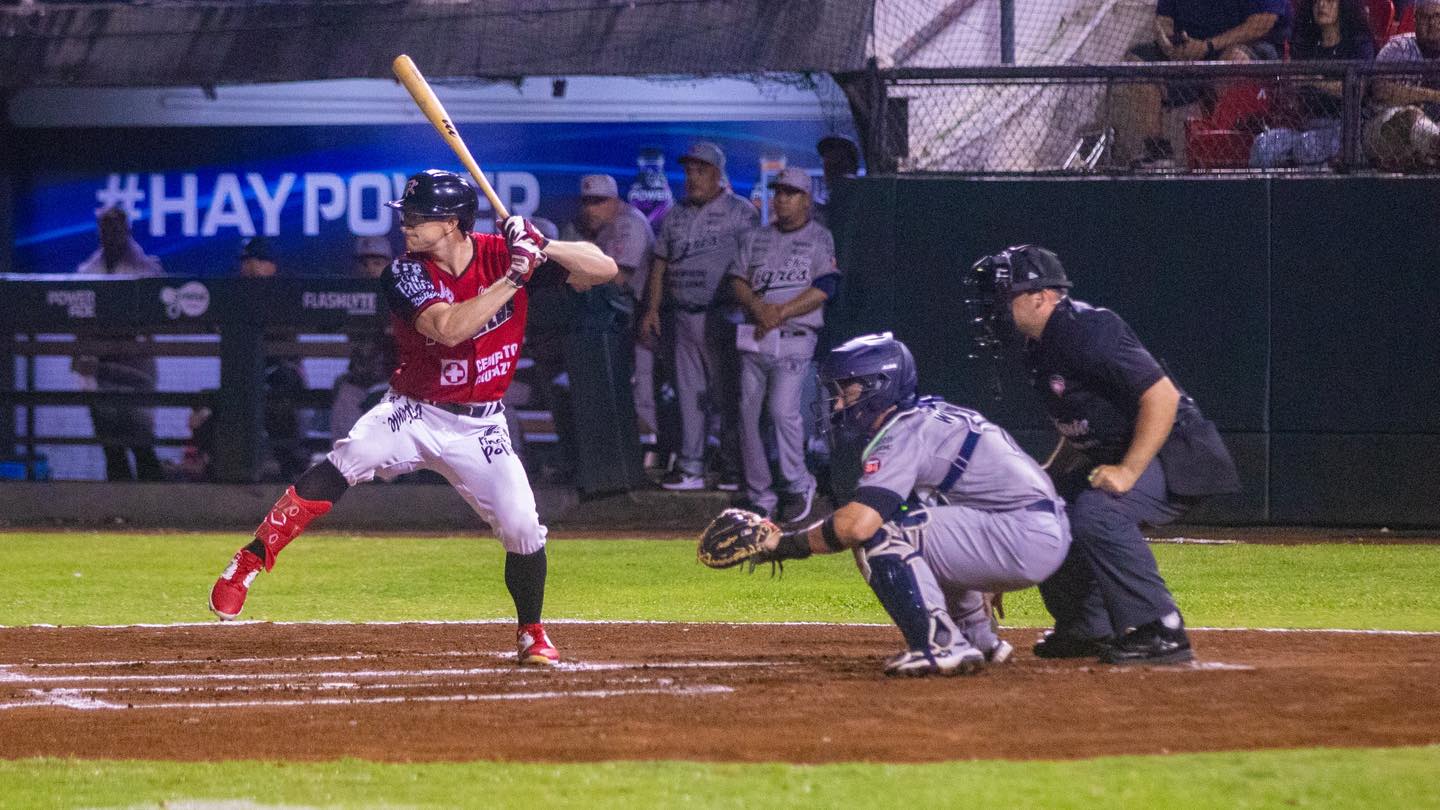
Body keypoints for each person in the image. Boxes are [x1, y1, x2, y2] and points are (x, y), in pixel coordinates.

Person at [208, 169, 618, 666]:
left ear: (451, 224)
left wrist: (544, 246)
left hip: (482, 423)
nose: (406, 224)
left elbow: (604, 269)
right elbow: (449, 329)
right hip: (415, 410)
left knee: (523, 527)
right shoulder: (404, 272)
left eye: (418, 217)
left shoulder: (501, 252)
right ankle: (251, 558)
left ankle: (531, 632)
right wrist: (516, 276)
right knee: (352, 454)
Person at [966, 245, 1240, 665]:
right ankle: (1086, 628)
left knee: (1098, 511)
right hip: (1127, 451)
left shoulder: (1088, 328)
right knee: (1047, 506)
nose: (994, 309)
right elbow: (1081, 428)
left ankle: (1161, 629)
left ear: (1042, 295)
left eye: (1003, 297)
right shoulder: (1039, 345)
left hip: (1178, 453)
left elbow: (1161, 397)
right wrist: (1045, 483)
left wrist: (1129, 472)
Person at [745, 333, 1072, 676]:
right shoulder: (932, 415)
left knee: (880, 532)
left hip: (1020, 533)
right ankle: (977, 640)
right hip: (1034, 528)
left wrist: (781, 544)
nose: (839, 404)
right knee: (910, 522)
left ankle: (940, 643)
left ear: (879, 386)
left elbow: (857, 524)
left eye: (848, 391)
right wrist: (981, 566)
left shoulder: (904, 431)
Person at [638, 142, 759, 491]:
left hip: (724, 315)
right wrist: (652, 308)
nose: (693, 177)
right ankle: (691, 467)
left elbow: (753, 261)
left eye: (701, 170)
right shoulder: (676, 213)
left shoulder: (740, 212)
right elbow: (660, 263)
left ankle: (734, 469)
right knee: (689, 394)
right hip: (683, 315)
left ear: (718, 174)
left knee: (728, 395)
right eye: (690, 170)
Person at [727, 167, 838, 523]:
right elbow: (737, 280)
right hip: (757, 336)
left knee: (780, 411)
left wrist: (782, 311)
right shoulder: (755, 237)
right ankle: (762, 495)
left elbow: (826, 288)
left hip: (794, 336)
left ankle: (798, 483)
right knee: (747, 417)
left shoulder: (820, 238)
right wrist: (759, 308)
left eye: (790, 193)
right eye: (779, 193)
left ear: (806, 199)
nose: (782, 199)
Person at [1117, 0, 1292, 167]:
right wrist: (1170, 44)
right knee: (1136, 62)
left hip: (1247, 48)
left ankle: (1223, 146)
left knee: (1233, 59)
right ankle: (1157, 151)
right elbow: (1163, 21)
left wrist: (1208, 46)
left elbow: (1262, 23)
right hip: (1191, 53)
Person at [567, 174, 660, 462]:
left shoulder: (628, 224)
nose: (591, 209)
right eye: (587, 202)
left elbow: (619, 277)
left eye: (599, 201)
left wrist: (581, 277)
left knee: (645, 389)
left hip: (642, 318)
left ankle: (654, 454)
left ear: (615, 201)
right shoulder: (600, 228)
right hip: (617, 323)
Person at [74, 206, 165, 482]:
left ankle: (155, 509)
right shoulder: (87, 271)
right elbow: (79, 326)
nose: (112, 234)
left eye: (117, 228)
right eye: (106, 228)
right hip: (100, 367)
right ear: (99, 232)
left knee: (141, 441)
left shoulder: (148, 269)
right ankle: (119, 509)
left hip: (135, 366)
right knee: (111, 446)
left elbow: (155, 320)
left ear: (127, 231)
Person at [1365, 0, 1440, 169]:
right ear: (1414, 19)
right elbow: (1379, 90)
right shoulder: (1398, 47)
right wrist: (1433, 96)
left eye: (1437, 16)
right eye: (1425, 17)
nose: (1432, 23)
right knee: (1412, 117)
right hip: (1386, 128)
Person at [815, 135, 860, 227]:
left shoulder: (860, 199)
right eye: (826, 160)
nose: (830, 167)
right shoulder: (822, 203)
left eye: (837, 161)